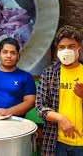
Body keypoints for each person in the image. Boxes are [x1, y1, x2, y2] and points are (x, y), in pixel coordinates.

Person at [36, 25, 83, 156]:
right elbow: (40, 107)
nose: (66, 51)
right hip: (55, 141)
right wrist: (61, 119)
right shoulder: (48, 74)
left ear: (80, 48)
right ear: (57, 49)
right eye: (62, 47)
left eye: (71, 46)